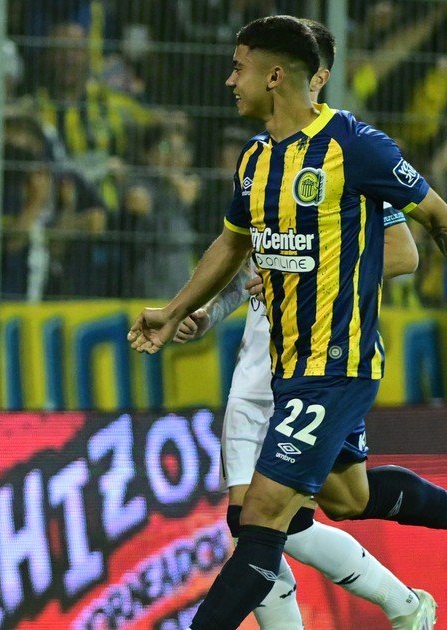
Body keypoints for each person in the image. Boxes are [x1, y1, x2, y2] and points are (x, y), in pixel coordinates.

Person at [125, 16, 447, 629]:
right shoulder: (255, 158)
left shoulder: (355, 147)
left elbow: (431, 221)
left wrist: (329, 269)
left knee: (262, 517)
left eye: (238, 68)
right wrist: (177, 310)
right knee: (346, 499)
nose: (229, 81)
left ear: (276, 76)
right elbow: (232, 245)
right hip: (279, 365)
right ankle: (408, 608)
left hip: (334, 363)